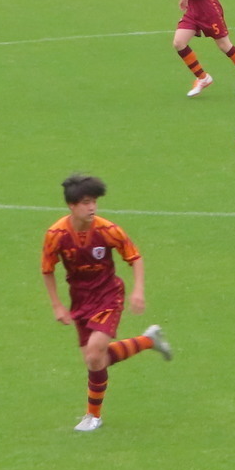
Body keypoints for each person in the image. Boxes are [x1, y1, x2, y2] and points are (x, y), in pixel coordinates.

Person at [40, 173, 172, 432]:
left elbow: (135, 258)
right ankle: (149, 341)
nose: (92, 207)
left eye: (94, 202)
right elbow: (47, 270)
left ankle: (93, 416)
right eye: (86, 202)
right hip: (80, 299)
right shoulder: (56, 234)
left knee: (94, 351)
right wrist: (57, 304)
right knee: (95, 360)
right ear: (72, 205)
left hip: (109, 295)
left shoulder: (107, 229)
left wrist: (139, 291)